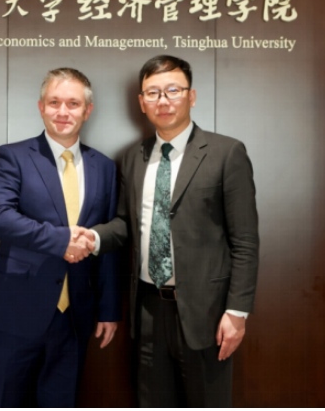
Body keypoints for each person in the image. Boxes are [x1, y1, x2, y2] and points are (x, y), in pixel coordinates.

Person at [76, 55, 259, 407]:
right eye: (153, 92)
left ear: (192, 96)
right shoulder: (133, 156)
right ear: (141, 102)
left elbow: (245, 241)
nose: (163, 100)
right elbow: (125, 224)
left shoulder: (226, 153)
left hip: (207, 313)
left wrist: (237, 313)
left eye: (173, 90)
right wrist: (94, 238)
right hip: (147, 309)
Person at [0, 67, 120, 408]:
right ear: (41, 107)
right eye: (54, 102)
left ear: (88, 110)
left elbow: (108, 241)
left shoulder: (105, 167)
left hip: (74, 319)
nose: (62, 111)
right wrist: (60, 240)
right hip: (13, 312)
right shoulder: (14, 156)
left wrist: (109, 309)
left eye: (73, 103)